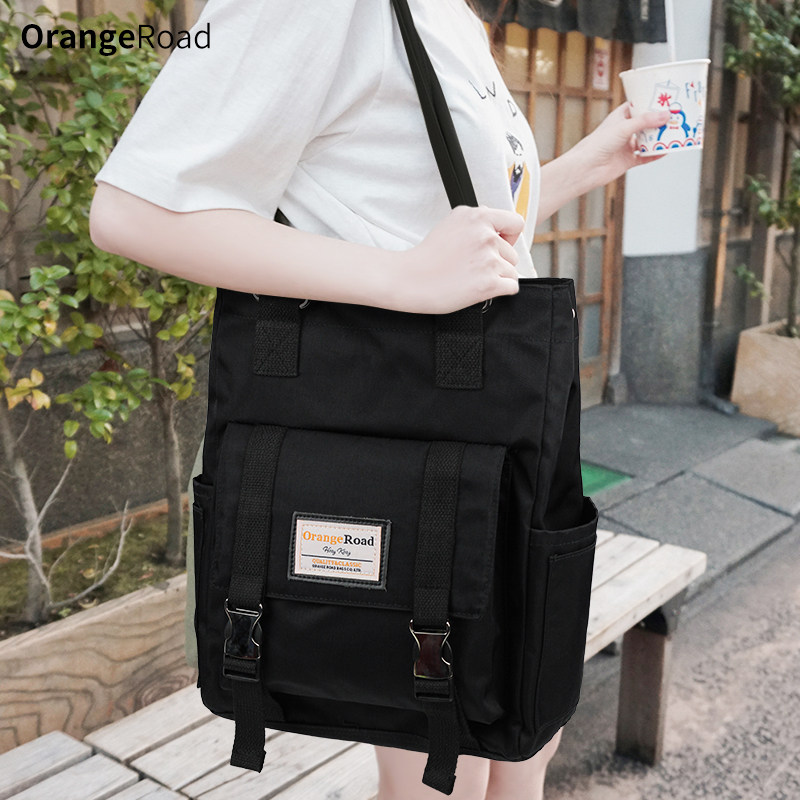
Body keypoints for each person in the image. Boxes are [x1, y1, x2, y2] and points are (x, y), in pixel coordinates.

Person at [89, 0, 670, 797]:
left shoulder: (451, 17)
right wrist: (400, 279)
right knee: (445, 765)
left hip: (499, 442)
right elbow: (132, 209)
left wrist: (582, 165)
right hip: (420, 446)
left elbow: (429, 218)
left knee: (521, 741)